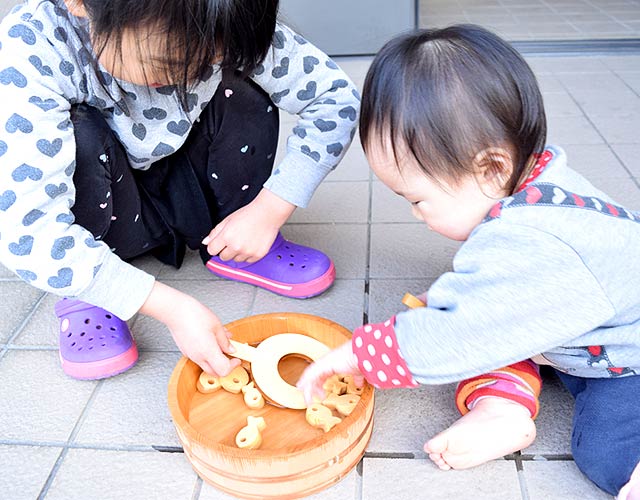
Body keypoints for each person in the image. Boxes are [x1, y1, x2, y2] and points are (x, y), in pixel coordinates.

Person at [296, 25, 640, 499]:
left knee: (607, 450)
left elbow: (460, 331)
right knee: (474, 323)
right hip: (576, 328)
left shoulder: (538, 243)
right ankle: (502, 411)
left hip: (626, 357)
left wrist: (360, 354)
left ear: (493, 168)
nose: (415, 215)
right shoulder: (536, 185)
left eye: (417, 200)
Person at [0, 0, 359, 380]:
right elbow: (26, 228)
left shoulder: (220, 14)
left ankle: (235, 242)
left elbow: (335, 99)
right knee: (81, 135)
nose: (188, 77)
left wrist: (269, 210)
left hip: (194, 189)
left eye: (208, 62)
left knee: (243, 85)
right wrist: (171, 307)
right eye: (169, 63)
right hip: (108, 209)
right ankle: (89, 290)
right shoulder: (32, 48)